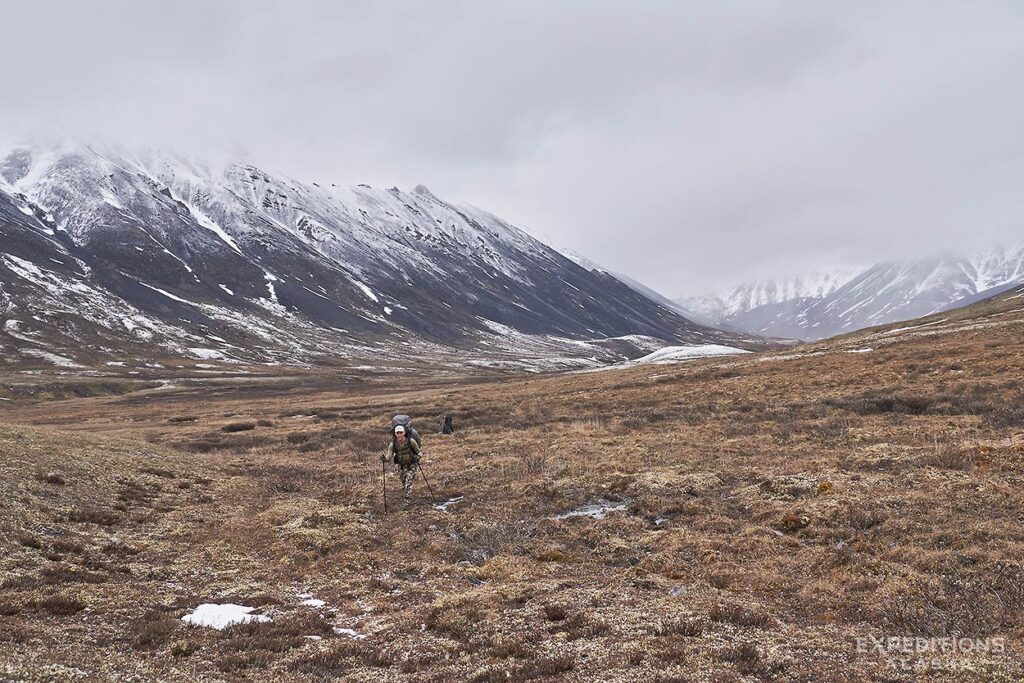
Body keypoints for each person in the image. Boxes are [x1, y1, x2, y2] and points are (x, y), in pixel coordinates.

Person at [382, 425, 420, 508]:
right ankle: (407, 495)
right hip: (401, 466)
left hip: (411, 465)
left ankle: (407, 503)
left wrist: (418, 457)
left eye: (401, 433)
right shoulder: (393, 444)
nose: (399, 435)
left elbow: (419, 452)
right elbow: (389, 457)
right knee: (404, 483)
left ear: (404, 433)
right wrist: (384, 459)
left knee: (408, 483)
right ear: (395, 434)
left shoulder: (411, 441)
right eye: (397, 433)